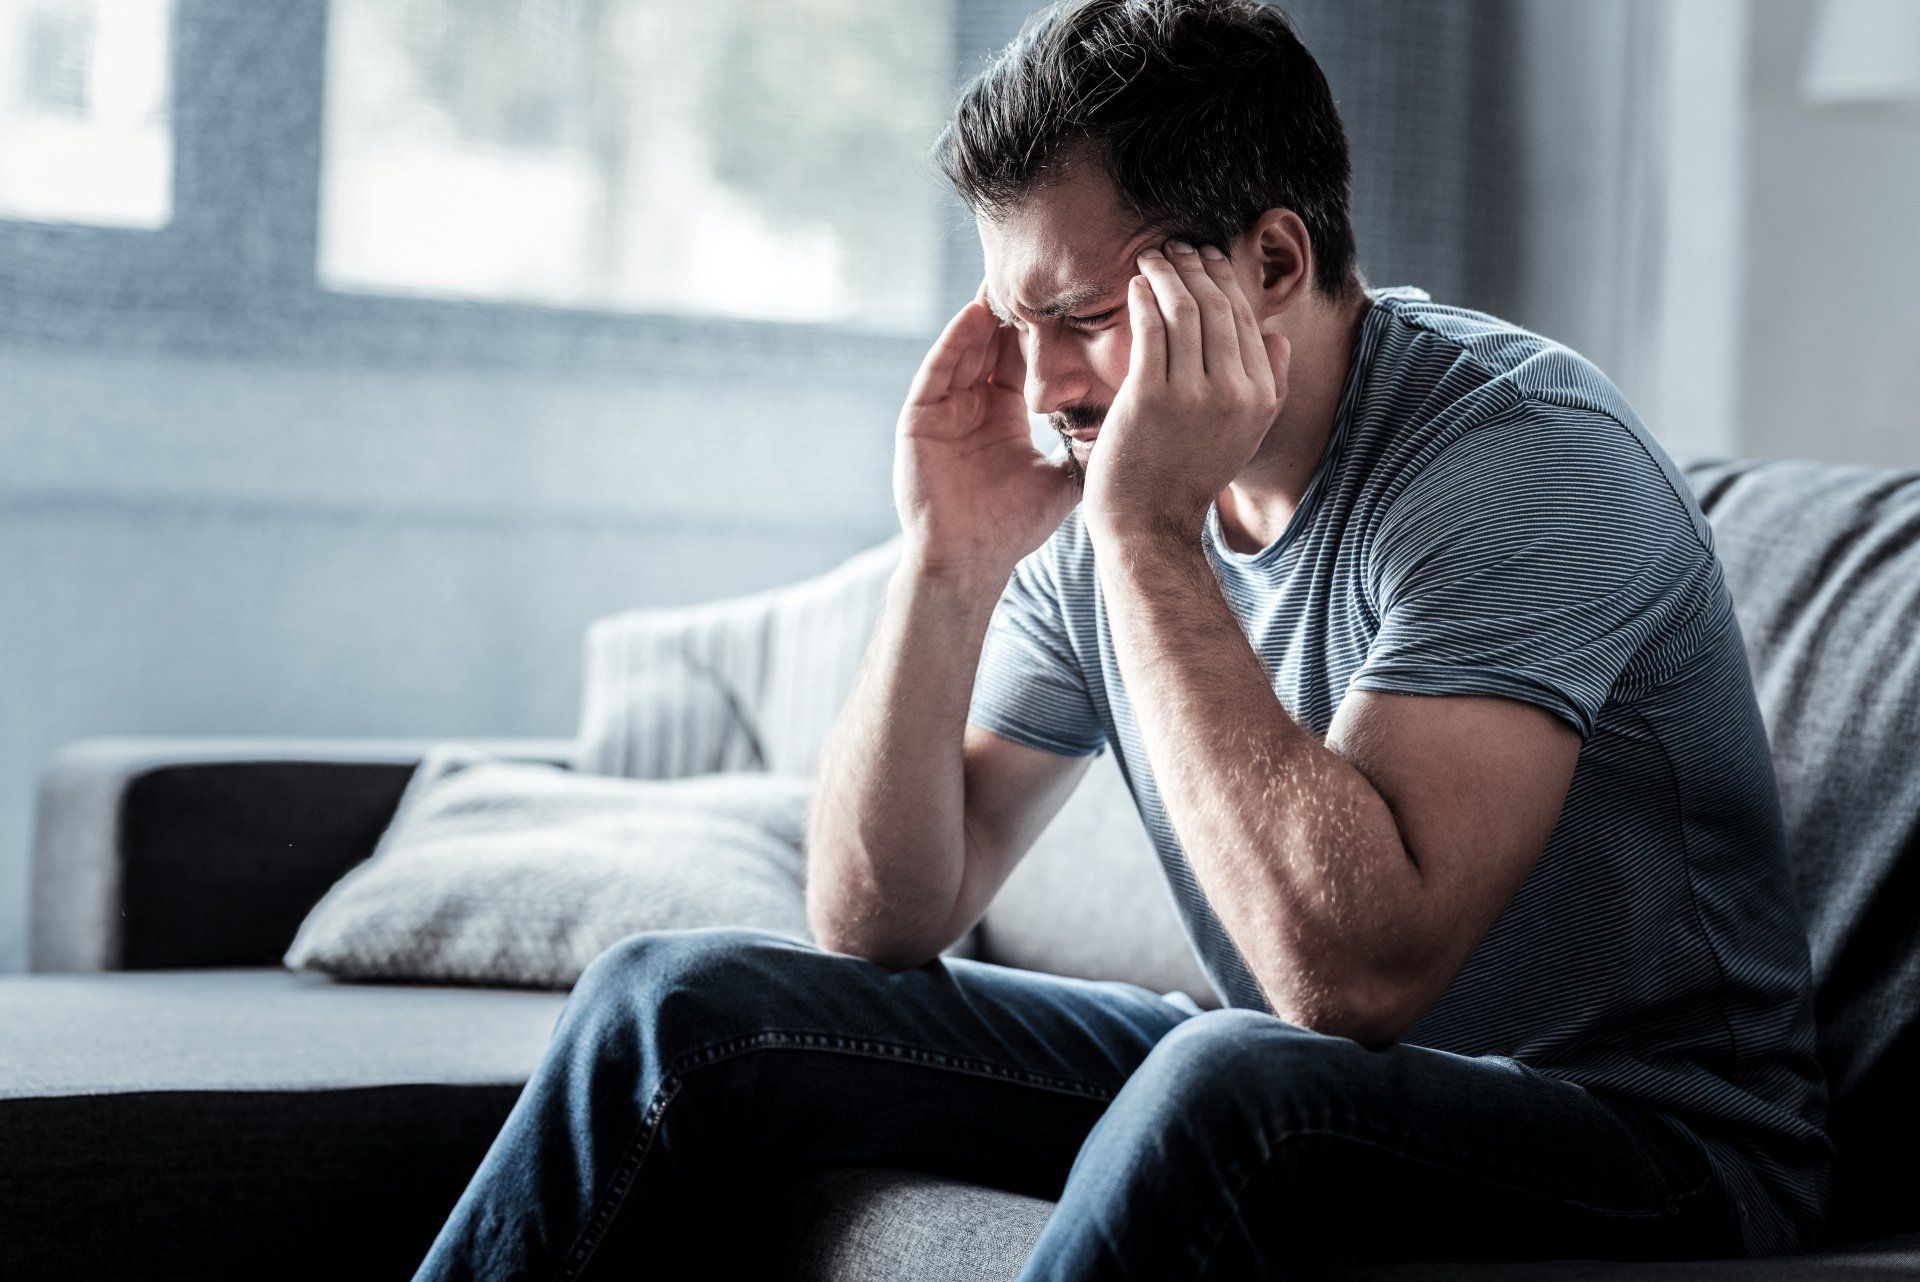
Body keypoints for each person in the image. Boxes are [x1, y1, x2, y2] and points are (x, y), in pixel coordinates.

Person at [411, 1, 1833, 1277]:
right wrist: (949, 558)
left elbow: (1353, 980)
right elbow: (881, 913)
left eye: (1081, 317)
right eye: (1014, 322)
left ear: (1271, 258)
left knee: (1231, 1080)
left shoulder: (1519, 462)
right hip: (1305, 1081)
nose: (1041, 389)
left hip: (1656, 1147)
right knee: (676, 1003)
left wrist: (1146, 536)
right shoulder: (1109, 469)